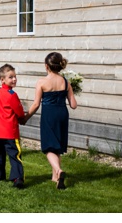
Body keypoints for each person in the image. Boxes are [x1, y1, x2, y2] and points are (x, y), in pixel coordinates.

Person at [23, 52, 78, 190]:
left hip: (49, 115)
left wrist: (25, 118)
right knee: (57, 145)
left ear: (46, 66)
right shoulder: (66, 82)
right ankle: (55, 177)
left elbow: (36, 104)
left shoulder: (42, 82)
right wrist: (70, 91)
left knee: (48, 146)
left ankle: (58, 170)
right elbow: (73, 105)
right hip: (62, 114)